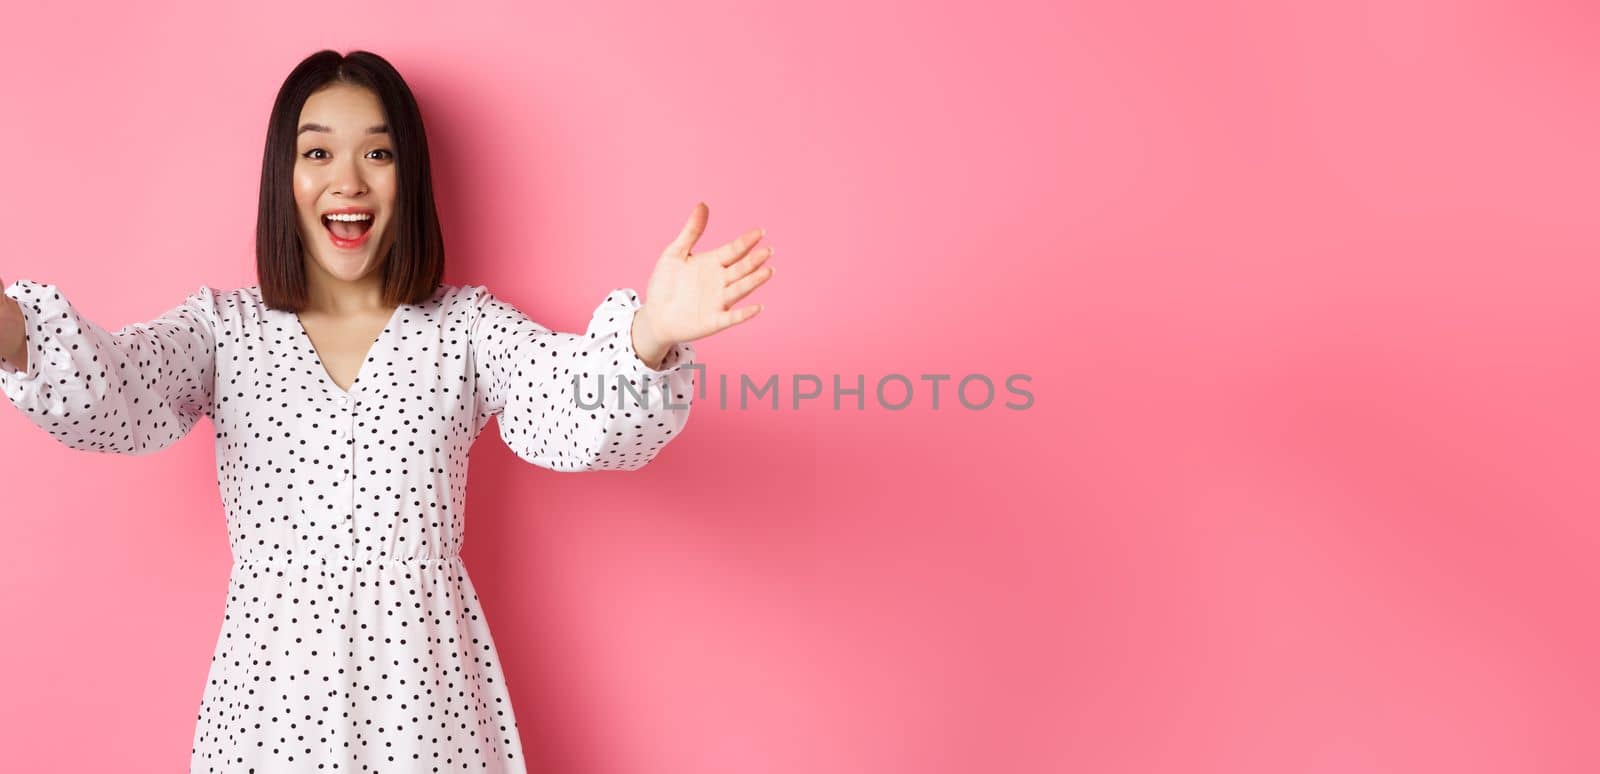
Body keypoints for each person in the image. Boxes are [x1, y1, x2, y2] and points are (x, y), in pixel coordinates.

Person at [0, 49, 774, 772]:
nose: (348, 181)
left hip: (425, 704)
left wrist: (650, 334)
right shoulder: (221, 331)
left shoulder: (466, 329)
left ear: (410, 176)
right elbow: (113, 385)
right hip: (269, 706)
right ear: (285, 176)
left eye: (377, 152)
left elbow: (572, 411)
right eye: (317, 153)